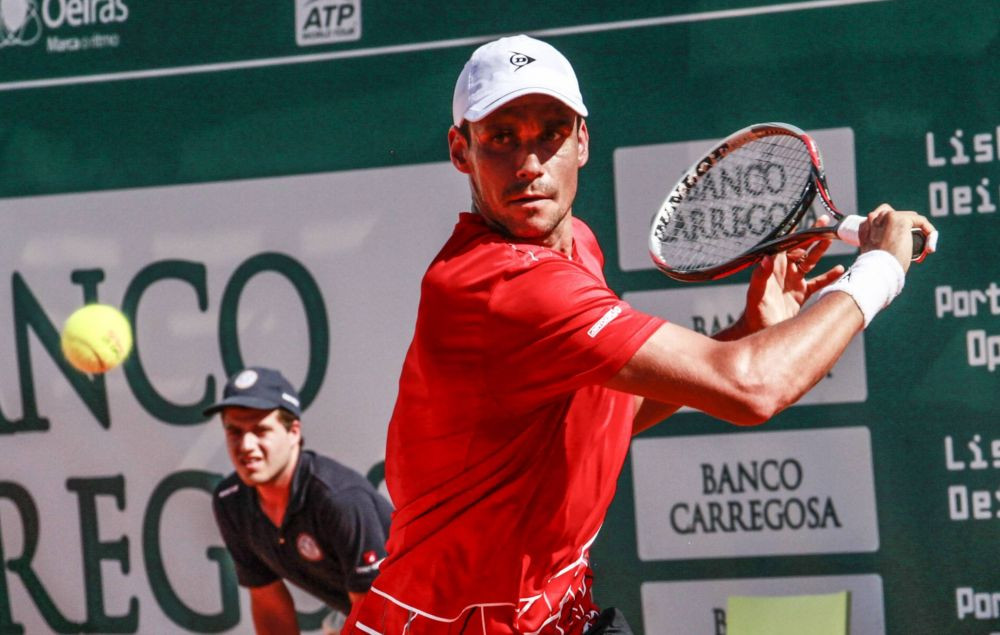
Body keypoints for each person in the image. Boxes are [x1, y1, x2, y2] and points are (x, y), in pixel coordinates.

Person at [343, 35, 936, 634]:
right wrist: (881, 268)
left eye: (550, 132)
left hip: (554, 611)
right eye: (501, 137)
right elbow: (755, 387)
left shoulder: (577, 248)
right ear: (460, 150)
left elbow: (607, 416)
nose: (529, 163)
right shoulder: (505, 287)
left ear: (581, 140)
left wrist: (744, 331)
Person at [205, 366, 393, 635]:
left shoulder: (339, 500)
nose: (246, 445)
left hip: (432, 619)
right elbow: (269, 604)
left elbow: (377, 617)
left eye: (260, 431)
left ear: (293, 432)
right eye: (234, 431)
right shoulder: (231, 502)